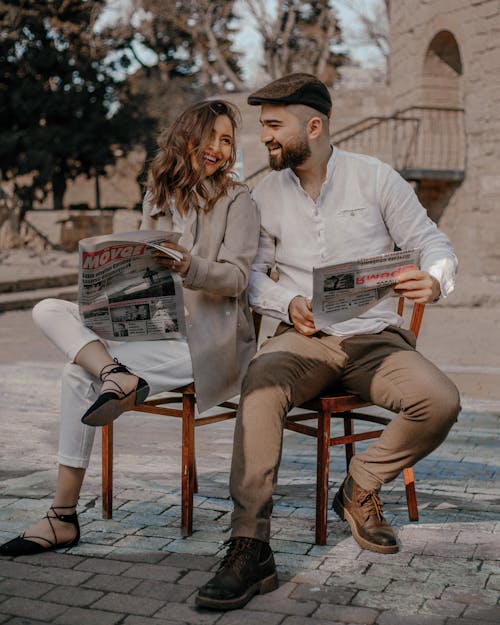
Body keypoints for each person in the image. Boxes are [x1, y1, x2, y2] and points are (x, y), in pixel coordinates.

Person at [196, 73, 461, 610]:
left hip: (375, 340)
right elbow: (251, 275)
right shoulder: (261, 194)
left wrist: (433, 277)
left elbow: (431, 240)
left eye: (275, 126)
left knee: (441, 401)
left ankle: (360, 484)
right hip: (303, 341)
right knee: (261, 384)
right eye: (264, 126)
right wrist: (285, 304)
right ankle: (250, 546)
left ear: (313, 126)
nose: (265, 137)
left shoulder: (377, 179)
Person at [0, 99, 259, 557]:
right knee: (47, 309)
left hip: (204, 343)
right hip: (150, 329)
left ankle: (62, 516)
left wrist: (190, 266)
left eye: (227, 141)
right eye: (211, 137)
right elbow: (141, 270)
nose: (219, 148)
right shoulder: (158, 194)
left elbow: (238, 278)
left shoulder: (239, 201)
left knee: (75, 375)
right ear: (187, 138)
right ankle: (115, 374)